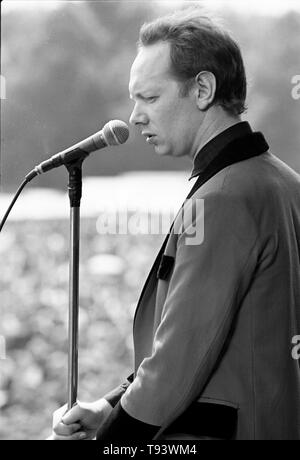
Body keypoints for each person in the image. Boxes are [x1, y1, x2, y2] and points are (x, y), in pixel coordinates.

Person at [51, 8, 300, 440]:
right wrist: (110, 408)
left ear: (202, 88)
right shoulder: (285, 182)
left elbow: (176, 364)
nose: (134, 116)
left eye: (149, 98)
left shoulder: (223, 198)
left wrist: (112, 441)